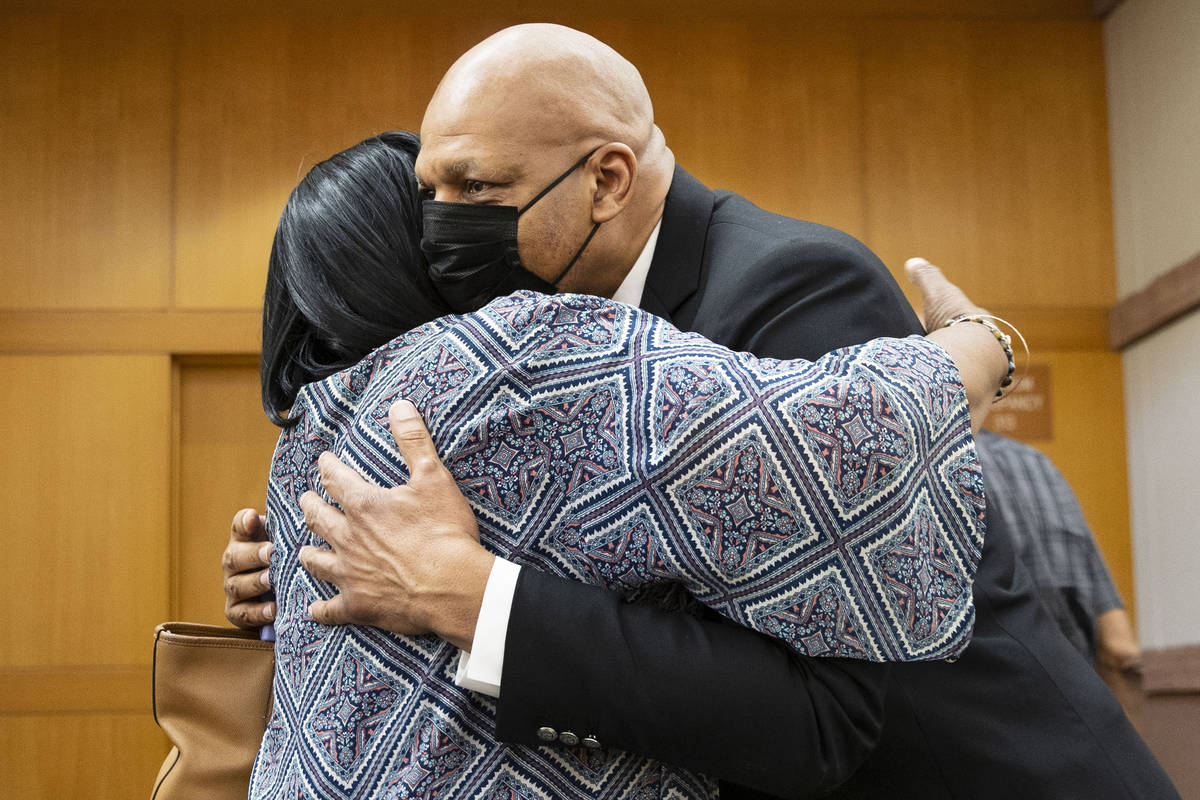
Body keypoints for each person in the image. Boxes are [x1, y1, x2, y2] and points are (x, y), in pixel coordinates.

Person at [224, 24, 1178, 799]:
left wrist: (984, 344)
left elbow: (832, 695)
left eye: (476, 190)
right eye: (428, 194)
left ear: (606, 180)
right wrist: (313, 560)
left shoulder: (786, 284)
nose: (440, 233)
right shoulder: (525, 337)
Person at [249, 131, 1006, 799]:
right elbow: (848, 429)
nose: (460, 219)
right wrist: (978, 343)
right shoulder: (519, 351)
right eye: (440, 201)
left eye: (472, 189)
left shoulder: (305, 441)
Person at [975, 428, 1144, 713]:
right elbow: (1120, 648)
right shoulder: (1036, 463)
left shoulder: (924, 466)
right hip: (1078, 718)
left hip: (983, 717)